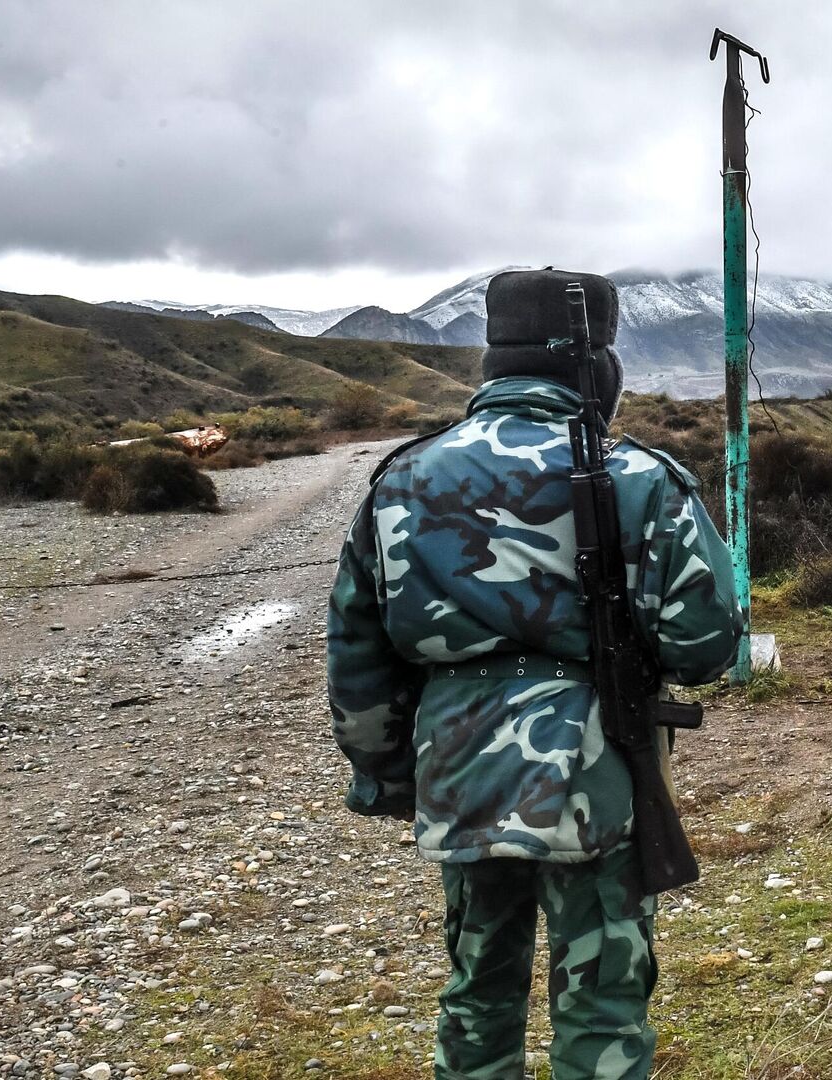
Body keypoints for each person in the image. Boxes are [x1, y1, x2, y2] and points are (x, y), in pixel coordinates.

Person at [326, 267, 744, 1080]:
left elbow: (358, 656)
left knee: (477, 994)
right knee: (602, 1005)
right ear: (599, 368)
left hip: (458, 770)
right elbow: (706, 645)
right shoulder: (642, 478)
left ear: (493, 364)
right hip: (601, 766)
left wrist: (389, 776)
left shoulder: (400, 479)